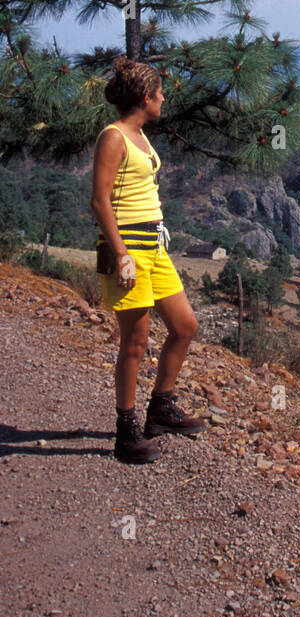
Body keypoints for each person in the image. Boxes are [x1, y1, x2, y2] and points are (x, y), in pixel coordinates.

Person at [91, 55, 205, 463]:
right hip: (128, 251)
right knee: (136, 341)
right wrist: (121, 255)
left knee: (185, 325)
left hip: (154, 249)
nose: (163, 99)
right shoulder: (114, 137)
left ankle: (161, 407)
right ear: (144, 98)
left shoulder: (139, 134)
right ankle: (126, 431)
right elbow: (100, 200)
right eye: (159, 93)